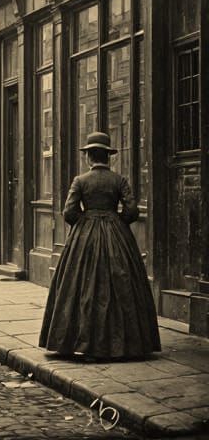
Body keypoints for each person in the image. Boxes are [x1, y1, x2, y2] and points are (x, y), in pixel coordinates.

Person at [40, 133, 159, 360]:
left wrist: (85, 223)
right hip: (117, 234)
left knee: (82, 286)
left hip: (85, 235)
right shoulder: (119, 180)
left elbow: (69, 212)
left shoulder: (80, 180)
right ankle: (126, 345)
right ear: (108, 156)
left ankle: (84, 343)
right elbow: (132, 211)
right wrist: (117, 222)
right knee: (122, 285)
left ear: (88, 157)